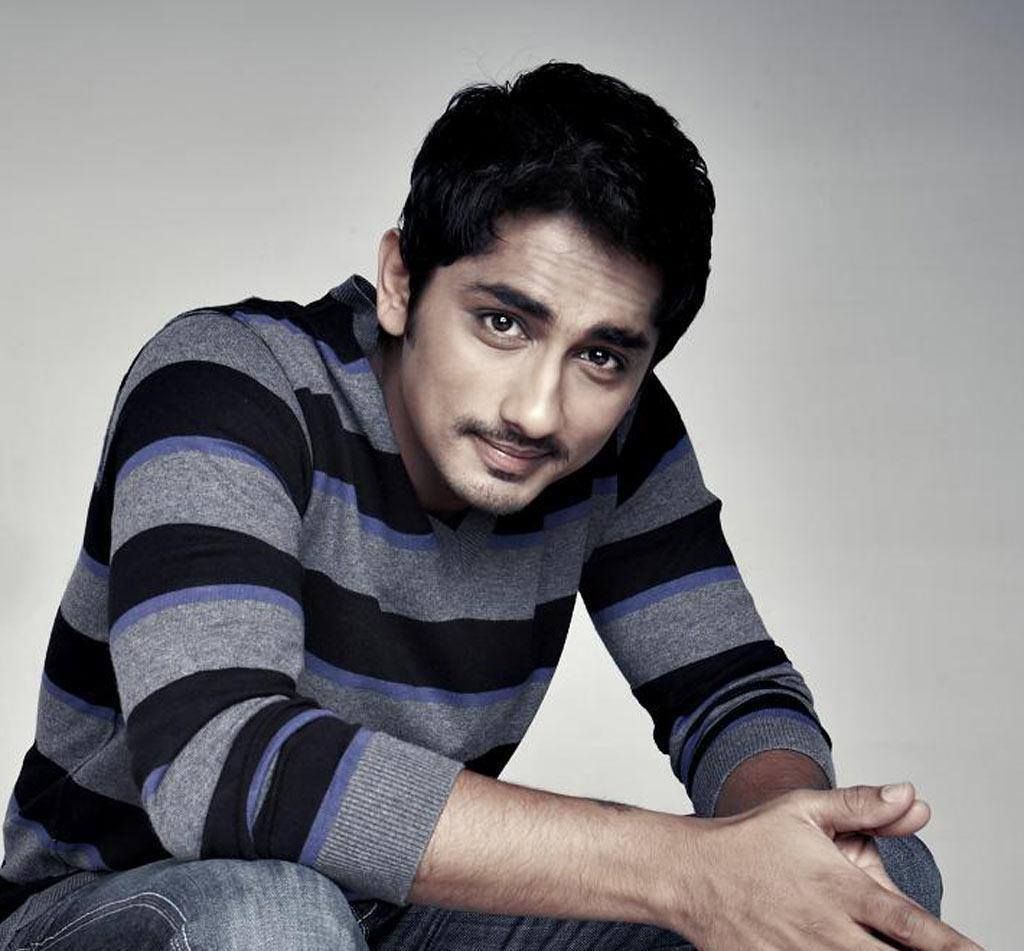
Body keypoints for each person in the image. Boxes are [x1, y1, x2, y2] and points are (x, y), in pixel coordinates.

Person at [0, 62, 979, 951]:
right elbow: (220, 761)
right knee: (273, 917)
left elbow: (730, 694)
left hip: (398, 912)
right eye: (503, 321)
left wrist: (787, 846)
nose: (537, 411)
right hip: (127, 905)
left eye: (602, 355)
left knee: (870, 882)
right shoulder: (228, 381)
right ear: (400, 281)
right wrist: (688, 872)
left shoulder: (621, 443)